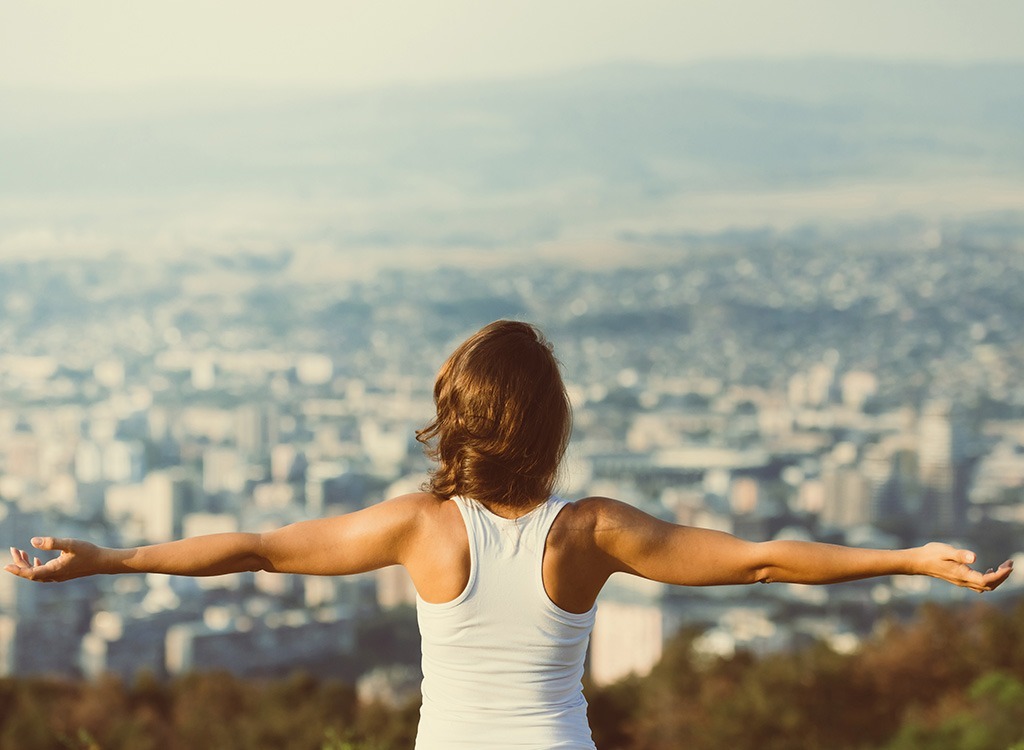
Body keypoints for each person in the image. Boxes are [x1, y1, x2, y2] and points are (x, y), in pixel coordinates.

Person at [5, 320, 1013, 749]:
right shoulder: (591, 532)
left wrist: (113, 559)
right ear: (549, 422)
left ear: (457, 418)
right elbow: (760, 556)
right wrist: (907, 558)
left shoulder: (416, 527)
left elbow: (258, 547)